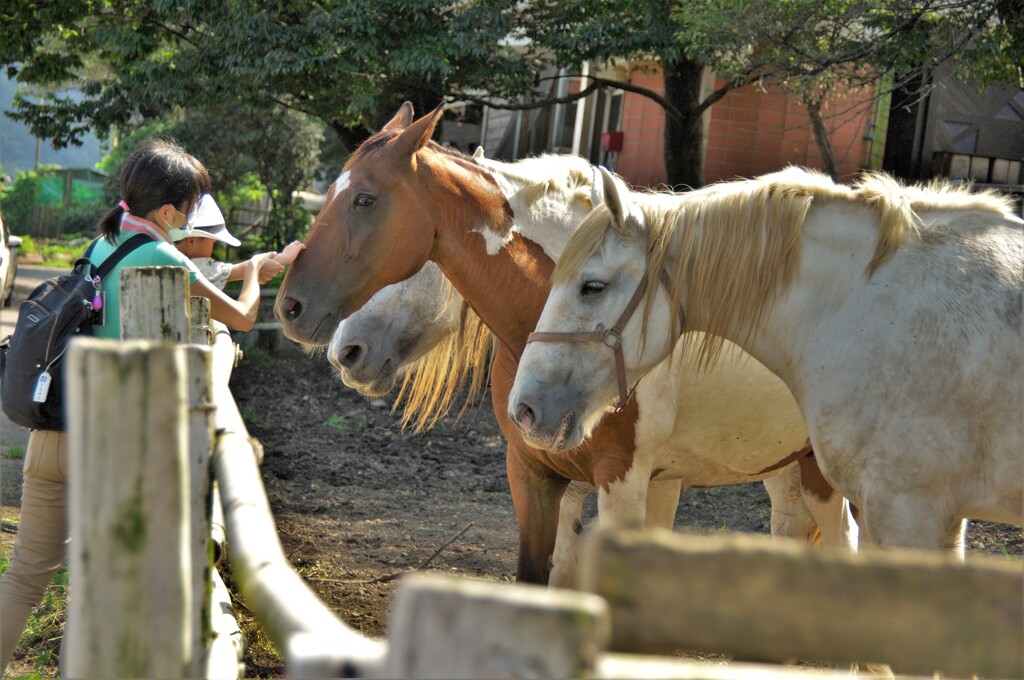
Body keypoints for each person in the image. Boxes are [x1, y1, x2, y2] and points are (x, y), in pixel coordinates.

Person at [0, 138, 283, 672]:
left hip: (50, 437)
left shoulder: (100, 244)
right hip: (108, 446)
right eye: (194, 206)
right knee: (95, 583)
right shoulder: (164, 255)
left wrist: (248, 266)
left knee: (24, 577)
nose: (196, 218)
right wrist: (251, 274)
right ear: (172, 211)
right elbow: (241, 318)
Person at [170, 192, 304, 290]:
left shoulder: (167, 258)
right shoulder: (198, 267)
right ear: (192, 241)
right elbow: (242, 269)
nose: (214, 243)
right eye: (211, 241)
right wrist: (284, 257)